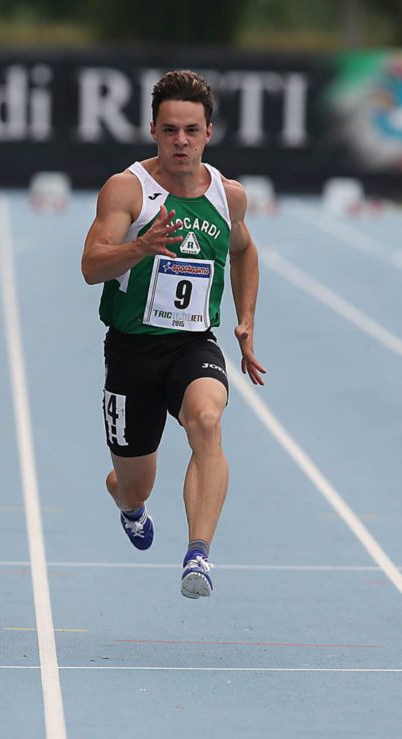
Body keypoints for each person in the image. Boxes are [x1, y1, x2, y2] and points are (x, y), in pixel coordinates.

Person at [81, 70, 266, 599]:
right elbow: (91, 265)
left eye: (191, 130)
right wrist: (140, 247)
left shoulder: (229, 196)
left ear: (209, 132)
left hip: (193, 343)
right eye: (169, 130)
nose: (180, 141)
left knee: (208, 421)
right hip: (132, 349)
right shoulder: (128, 190)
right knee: (135, 481)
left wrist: (246, 320)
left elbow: (245, 251)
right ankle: (129, 503)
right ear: (153, 131)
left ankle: (198, 556)